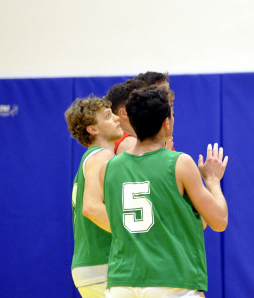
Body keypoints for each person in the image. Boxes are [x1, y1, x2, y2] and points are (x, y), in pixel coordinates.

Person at [99, 85, 228, 297]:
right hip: (171, 280)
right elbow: (219, 221)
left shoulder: (108, 168)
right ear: (166, 122)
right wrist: (213, 180)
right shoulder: (180, 163)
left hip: (121, 282)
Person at [65, 95, 123, 297]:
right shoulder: (102, 156)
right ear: (93, 129)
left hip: (92, 265)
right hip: (103, 264)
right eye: (108, 116)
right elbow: (91, 208)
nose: (116, 118)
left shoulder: (91, 158)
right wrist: (132, 235)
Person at [105, 79, 147, 155]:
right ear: (124, 113)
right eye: (139, 104)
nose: (146, 107)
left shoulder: (113, 139)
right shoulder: (130, 143)